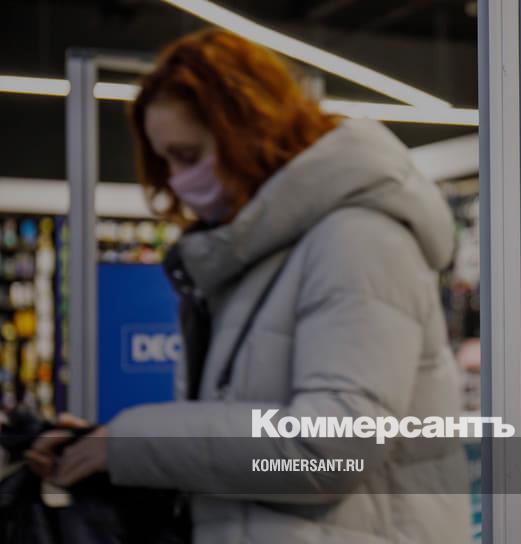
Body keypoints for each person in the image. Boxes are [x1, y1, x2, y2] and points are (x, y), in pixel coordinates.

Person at [26, 28, 469, 543]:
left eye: (188, 155)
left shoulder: (358, 240)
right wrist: (106, 445)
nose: (176, 180)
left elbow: (333, 448)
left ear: (250, 131)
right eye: (166, 160)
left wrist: (134, 443)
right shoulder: (258, 257)